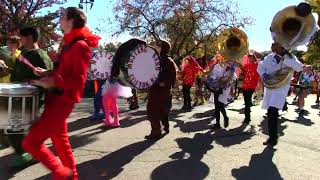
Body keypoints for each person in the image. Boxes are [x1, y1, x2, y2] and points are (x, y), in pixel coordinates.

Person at [22, 7, 100, 179]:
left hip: (63, 100)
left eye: (63, 17)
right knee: (61, 142)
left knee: (31, 142)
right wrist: (47, 73)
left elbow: (78, 82)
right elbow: (63, 72)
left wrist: (54, 81)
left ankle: (62, 174)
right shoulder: (69, 44)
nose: (60, 20)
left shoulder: (80, 46)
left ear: (71, 20)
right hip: (55, 98)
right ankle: (71, 177)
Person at [0, 29, 53, 168]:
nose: (20, 40)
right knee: (12, 128)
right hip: (18, 97)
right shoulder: (23, 54)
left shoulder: (40, 54)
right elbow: (18, 75)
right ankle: (26, 153)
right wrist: (6, 70)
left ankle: (28, 155)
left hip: (30, 100)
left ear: (29, 37)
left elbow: (49, 78)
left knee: (16, 128)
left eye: (22, 37)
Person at [258, 42, 302, 146]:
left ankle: (273, 138)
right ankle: (272, 137)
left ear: (281, 46)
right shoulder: (270, 56)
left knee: (273, 110)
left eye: (274, 44)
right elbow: (260, 66)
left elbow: (299, 67)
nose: (272, 45)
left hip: (280, 89)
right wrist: (263, 74)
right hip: (269, 88)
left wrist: (284, 59)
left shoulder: (290, 56)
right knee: (270, 112)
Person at [146, 39, 177, 139]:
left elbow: (172, 76)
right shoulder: (158, 59)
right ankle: (164, 127)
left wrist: (165, 83)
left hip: (161, 90)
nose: (156, 47)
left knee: (153, 111)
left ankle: (156, 132)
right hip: (156, 89)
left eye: (158, 46)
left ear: (163, 48)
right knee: (161, 110)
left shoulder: (167, 60)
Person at [208, 60, 237, 129]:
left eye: (228, 62)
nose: (225, 62)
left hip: (224, 90)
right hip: (217, 88)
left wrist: (224, 81)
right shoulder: (221, 68)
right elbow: (215, 76)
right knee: (217, 105)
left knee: (220, 105)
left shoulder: (232, 70)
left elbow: (231, 80)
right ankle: (218, 123)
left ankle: (225, 118)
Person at [240, 52, 260, 125]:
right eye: (248, 56)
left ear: (254, 58)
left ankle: (247, 118)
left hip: (252, 86)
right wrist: (241, 74)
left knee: (247, 102)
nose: (249, 57)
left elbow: (260, 76)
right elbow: (242, 76)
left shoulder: (257, 66)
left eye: (251, 56)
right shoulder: (245, 66)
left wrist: (259, 87)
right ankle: (247, 117)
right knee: (246, 102)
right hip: (245, 85)